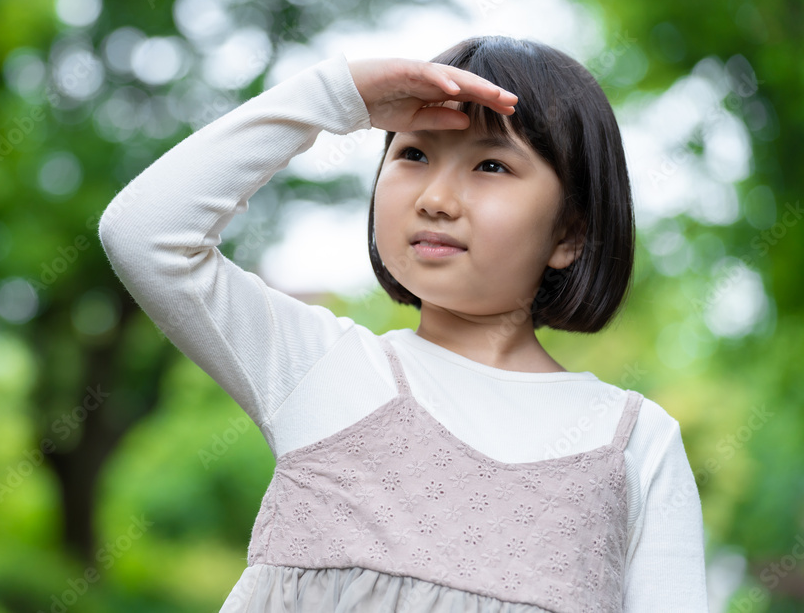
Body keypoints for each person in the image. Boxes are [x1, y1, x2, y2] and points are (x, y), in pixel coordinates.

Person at [98, 35, 709, 612]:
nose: (436, 198)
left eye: (491, 166)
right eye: (413, 153)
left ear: (570, 234)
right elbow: (145, 234)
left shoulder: (634, 445)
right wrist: (334, 97)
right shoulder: (324, 370)